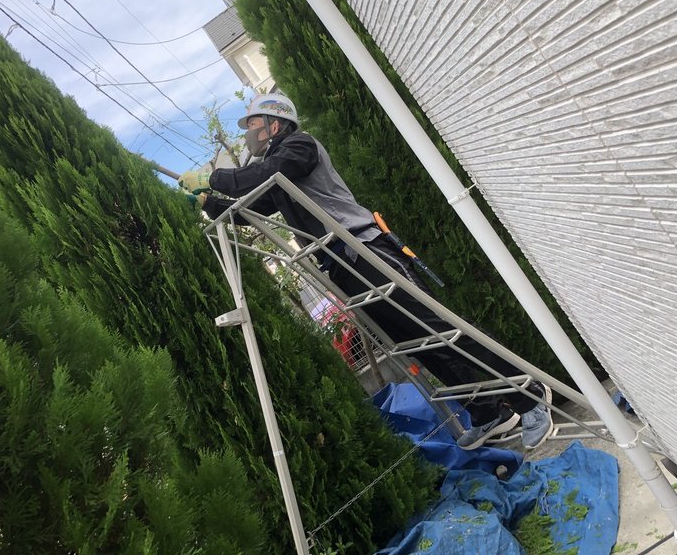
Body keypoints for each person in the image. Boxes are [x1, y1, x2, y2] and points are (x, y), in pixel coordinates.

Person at [178, 93, 553, 451]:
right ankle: (487, 411)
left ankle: (531, 396)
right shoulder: (274, 173)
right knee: (416, 343)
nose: (247, 133)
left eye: (252, 123)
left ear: (275, 124)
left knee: (440, 328)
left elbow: (270, 173)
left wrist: (214, 177)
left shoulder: (299, 147)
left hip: (365, 251)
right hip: (343, 267)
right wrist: (212, 202)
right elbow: (250, 207)